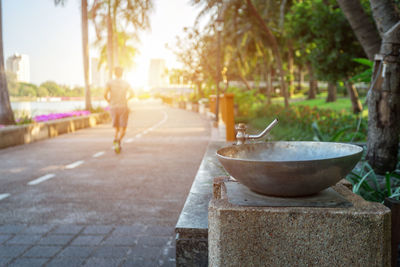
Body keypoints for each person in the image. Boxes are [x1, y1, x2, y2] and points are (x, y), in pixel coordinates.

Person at [104, 66, 134, 153]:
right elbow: (132, 94)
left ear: (114, 73)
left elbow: (105, 94)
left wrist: (109, 101)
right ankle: (118, 141)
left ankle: (116, 141)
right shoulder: (126, 83)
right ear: (122, 73)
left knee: (117, 128)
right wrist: (127, 99)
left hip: (113, 107)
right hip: (123, 106)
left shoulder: (109, 82)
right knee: (123, 129)